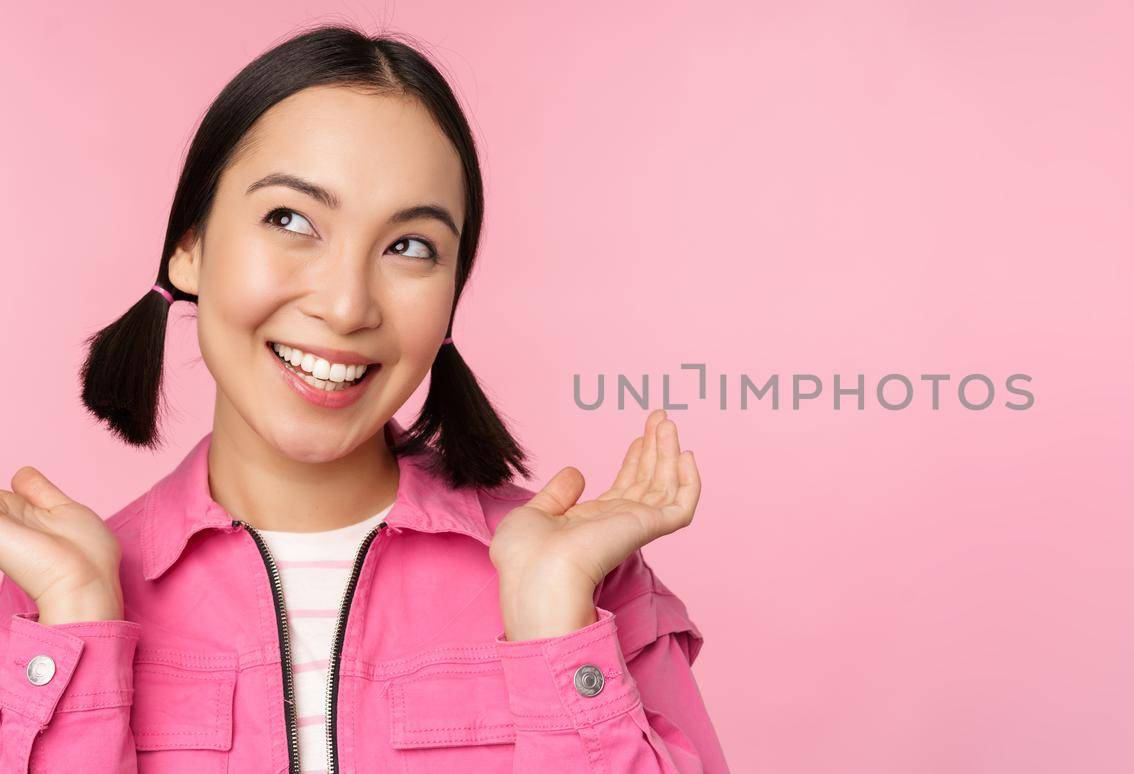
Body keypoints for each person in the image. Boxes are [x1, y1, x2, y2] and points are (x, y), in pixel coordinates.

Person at [0, 24, 729, 773]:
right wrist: (79, 630)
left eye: (410, 246)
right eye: (290, 220)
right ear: (189, 245)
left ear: (450, 298)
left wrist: (553, 630)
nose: (348, 306)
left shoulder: (591, 585)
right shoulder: (40, 613)